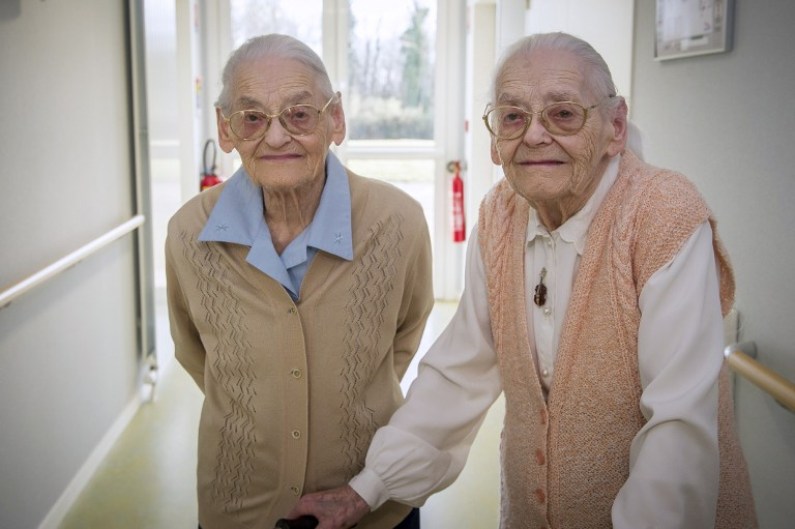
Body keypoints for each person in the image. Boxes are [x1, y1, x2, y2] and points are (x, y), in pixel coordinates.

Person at [288, 32, 758, 529]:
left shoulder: (664, 216)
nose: (534, 135)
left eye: (563, 113)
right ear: (495, 139)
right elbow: (461, 371)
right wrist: (367, 488)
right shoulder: (499, 215)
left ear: (615, 126)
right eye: (514, 116)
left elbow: (677, 429)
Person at [165, 34, 433, 529]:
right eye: (252, 118)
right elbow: (194, 353)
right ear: (226, 130)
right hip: (238, 508)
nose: (275, 137)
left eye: (299, 114)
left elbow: (405, 333)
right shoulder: (188, 234)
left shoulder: (399, 221)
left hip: (374, 507)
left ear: (336, 120)